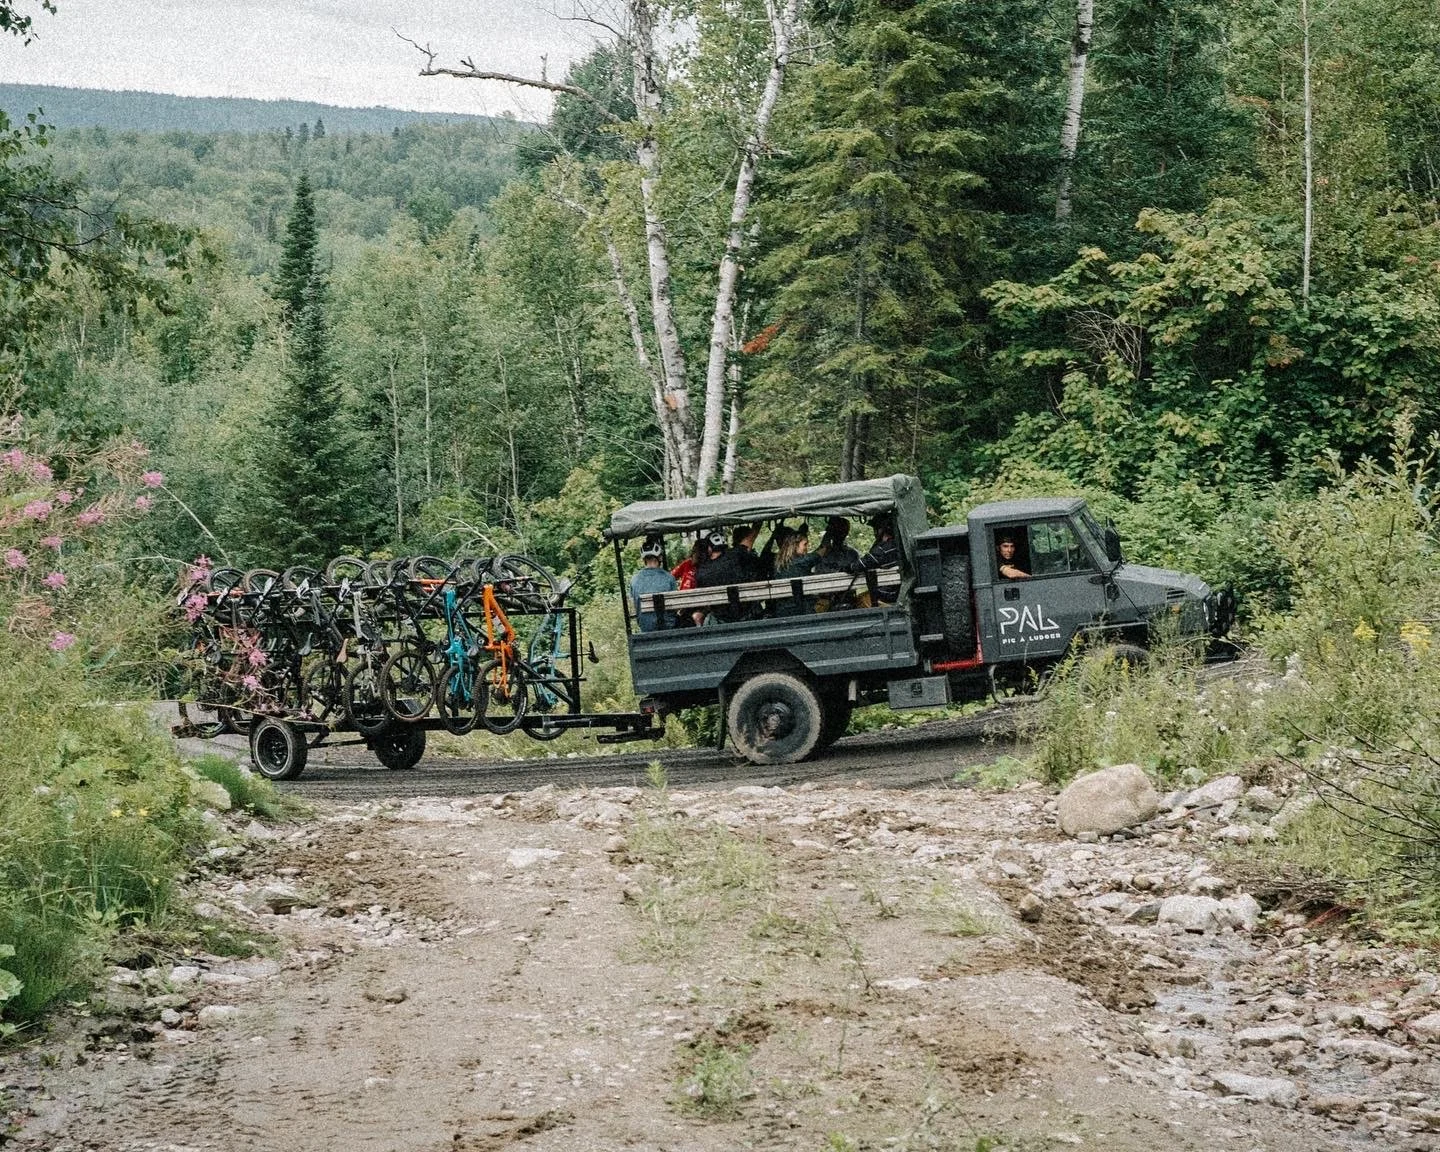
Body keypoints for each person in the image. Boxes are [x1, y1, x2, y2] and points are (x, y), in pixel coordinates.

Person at [630, 536, 678, 632]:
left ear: (644, 559)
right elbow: (675, 606)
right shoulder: (669, 578)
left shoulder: (634, 580)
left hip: (646, 628)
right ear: (659, 557)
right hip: (668, 627)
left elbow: (634, 605)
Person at [860, 515, 901, 602]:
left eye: (876, 529)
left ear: (882, 530)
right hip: (899, 593)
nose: (874, 533)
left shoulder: (883, 549)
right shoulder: (900, 545)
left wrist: (849, 567)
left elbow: (862, 564)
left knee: (860, 600)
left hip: (886, 594)